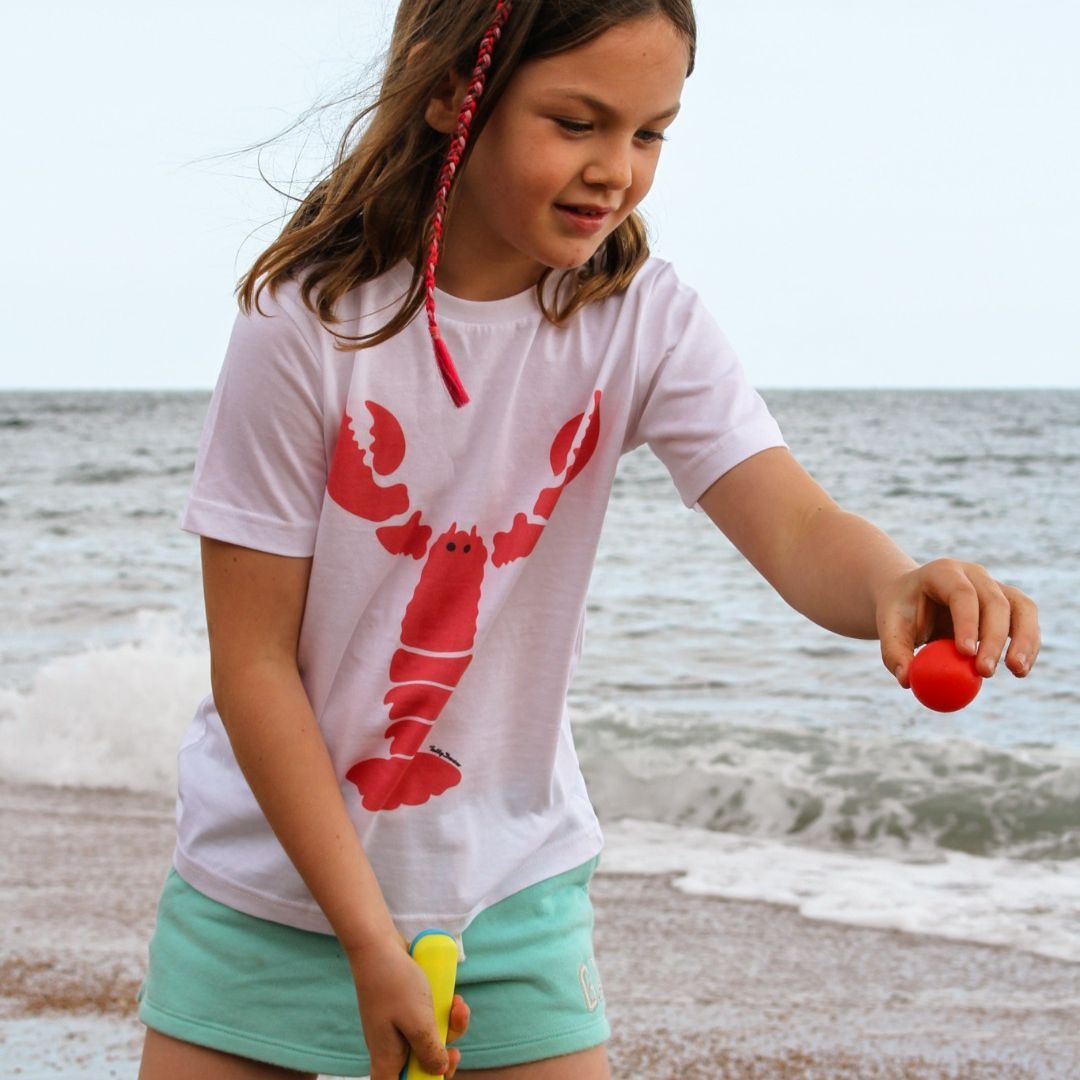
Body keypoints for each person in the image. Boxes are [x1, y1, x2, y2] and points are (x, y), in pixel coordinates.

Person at [135, 2, 1041, 1078]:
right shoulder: (306, 323)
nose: (617, 169)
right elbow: (253, 667)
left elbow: (795, 522)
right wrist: (367, 942)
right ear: (447, 95)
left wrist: (896, 581)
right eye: (576, 122)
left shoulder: (641, 319)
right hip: (268, 897)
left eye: (650, 133)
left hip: (509, 900)